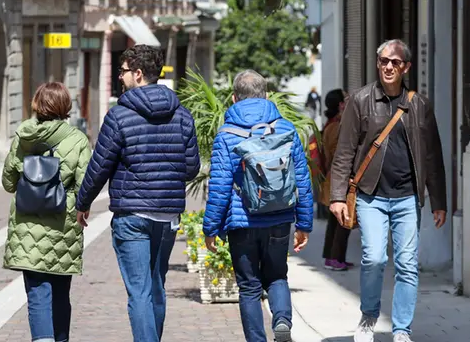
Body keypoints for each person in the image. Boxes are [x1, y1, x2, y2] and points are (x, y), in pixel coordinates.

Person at [75, 45, 200, 342]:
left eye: (124, 71)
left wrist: (83, 203)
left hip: (132, 214)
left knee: (139, 292)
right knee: (156, 286)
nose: (120, 77)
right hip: (167, 215)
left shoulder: (119, 116)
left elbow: (100, 165)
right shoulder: (182, 115)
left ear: (139, 74)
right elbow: (191, 167)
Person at [329, 39, 447, 342]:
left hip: (407, 197)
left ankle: (401, 330)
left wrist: (439, 201)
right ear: (378, 63)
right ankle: (369, 316)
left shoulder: (419, 105)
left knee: (407, 264)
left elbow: (432, 154)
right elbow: (344, 151)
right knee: (374, 258)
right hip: (371, 196)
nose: (388, 67)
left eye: (395, 62)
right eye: (383, 61)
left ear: (406, 66)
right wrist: (337, 196)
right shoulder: (360, 100)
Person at [202, 70, 314, 342]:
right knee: (277, 276)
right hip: (279, 218)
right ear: (266, 95)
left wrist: (210, 228)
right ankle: (282, 321)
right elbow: (302, 178)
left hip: (242, 223)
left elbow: (219, 187)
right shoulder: (286, 129)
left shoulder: (226, 134)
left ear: (233, 98)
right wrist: (304, 223)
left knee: (249, 288)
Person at [0, 82, 93, 342]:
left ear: (36, 105)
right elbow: (85, 185)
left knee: (38, 292)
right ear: (65, 107)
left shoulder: (23, 136)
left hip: (27, 228)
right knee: (61, 292)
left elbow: (8, 183)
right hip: (63, 225)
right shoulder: (77, 139)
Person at [320, 88, 353, 272]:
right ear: (341, 105)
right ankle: (335, 258)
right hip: (341, 178)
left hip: (332, 178)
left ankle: (332, 257)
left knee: (335, 221)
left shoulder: (329, 125)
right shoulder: (338, 127)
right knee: (344, 219)